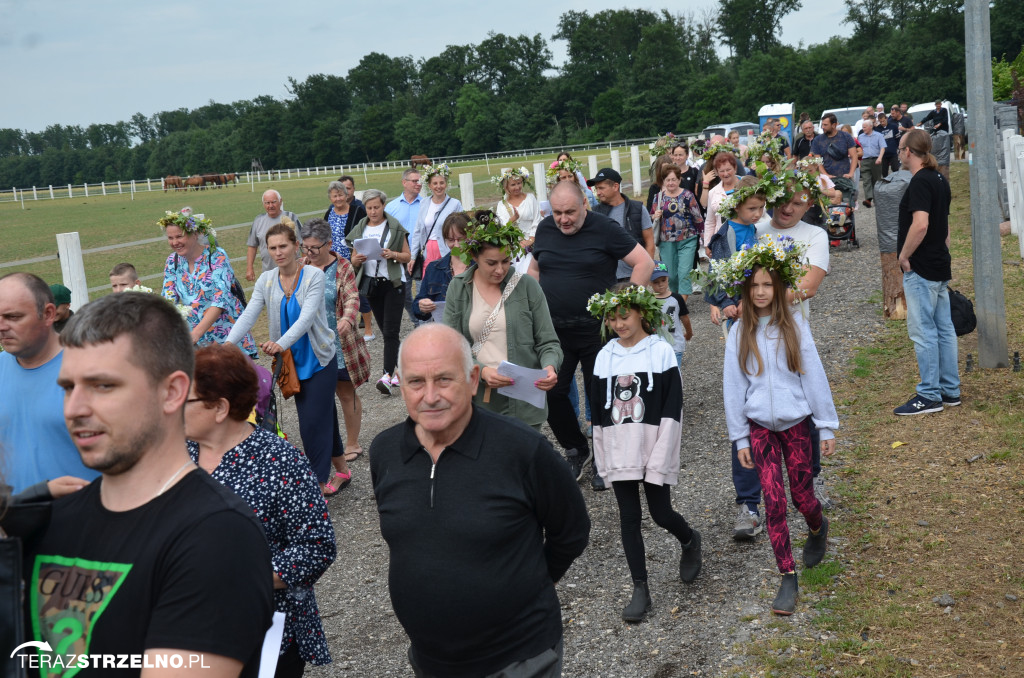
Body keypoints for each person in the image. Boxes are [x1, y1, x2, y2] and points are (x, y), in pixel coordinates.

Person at [26, 291, 273, 674]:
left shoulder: (218, 536)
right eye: (68, 387)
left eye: (103, 386)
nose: (74, 409)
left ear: (172, 391)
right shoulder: (52, 519)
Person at [369, 324, 591, 677]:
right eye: (415, 382)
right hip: (431, 662)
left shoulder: (522, 450)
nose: (430, 396)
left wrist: (530, 585)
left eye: (444, 379)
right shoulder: (385, 452)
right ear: (400, 383)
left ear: (473, 380)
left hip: (519, 659)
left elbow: (572, 530)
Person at [186, 344, 337, 677]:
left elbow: (317, 547)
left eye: (186, 399)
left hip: (264, 632)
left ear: (220, 408)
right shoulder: (177, 453)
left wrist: (237, 578)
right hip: (189, 628)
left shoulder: (280, 461)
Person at [716, 239, 839, 616]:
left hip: (797, 425)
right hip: (759, 430)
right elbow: (734, 387)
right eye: (754, 286)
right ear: (744, 290)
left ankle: (818, 528)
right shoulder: (739, 333)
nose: (761, 292)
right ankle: (787, 575)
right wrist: (739, 435)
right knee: (773, 502)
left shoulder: (794, 328)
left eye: (768, 285)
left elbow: (813, 376)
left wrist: (826, 425)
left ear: (781, 287)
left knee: (802, 497)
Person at [529, 181, 655, 490]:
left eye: (570, 212)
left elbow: (644, 262)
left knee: (602, 395)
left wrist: (624, 306)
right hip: (554, 331)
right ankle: (577, 450)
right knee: (551, 393)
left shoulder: (605, 228)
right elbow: (534, 270)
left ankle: (604, 455)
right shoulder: (545, 230)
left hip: (597, 330)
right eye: (558, 213)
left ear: (584, 205)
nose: (564, 219)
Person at [587, 284, 701, 622]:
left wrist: (663, 452)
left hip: (653, 445)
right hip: (619, 449)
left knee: (661, 513)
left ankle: (689, 538)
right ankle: (640, 588)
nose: (619, 324)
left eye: (625, 316)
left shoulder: (660, 352)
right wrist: (601, 456)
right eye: (612, 318)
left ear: (641, 313)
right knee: (628, 517)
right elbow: (597, 411)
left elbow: (671, 406)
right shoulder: (604, 357)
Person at [226, 224, 345, 496]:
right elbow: (248, 315)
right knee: (323, 416)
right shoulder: (266, 280)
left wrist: (279, 343)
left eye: (283, 246)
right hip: (292, 363)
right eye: (272, 247)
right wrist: (226, 345)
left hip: (319, 359)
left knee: (311, 424)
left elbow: (306, 319)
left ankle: (315, 487)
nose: (278, 252)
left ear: (295, 246)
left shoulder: (314, 275)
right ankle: (342, 470)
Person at [756, 169, 835, 509]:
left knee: (802, 399)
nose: (787, 208)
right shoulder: (755, 230)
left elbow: (810, 286)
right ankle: (758, 493)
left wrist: (766, 299)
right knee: (755, 401)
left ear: (808, 206)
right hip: (752, 332)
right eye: (783, 201)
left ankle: (811, 479)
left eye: (797, 203)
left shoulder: (814, 235)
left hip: (792, 329)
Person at [443, 209, 561, 430]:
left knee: (524, 462)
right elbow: (451, 347)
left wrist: (550, 367)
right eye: (491, 263)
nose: (500, 270)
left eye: (506, 261)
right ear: (474, 256)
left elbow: (548, 342)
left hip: (524, 403)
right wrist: (482, 370)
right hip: (477, 402)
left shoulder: (527, 286)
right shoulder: (458, 288)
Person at [0, 273, 98, 493]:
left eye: (13, 317)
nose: (1, 326)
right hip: (14, 518)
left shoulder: (92, 371)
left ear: (48, 314)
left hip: (85, 518)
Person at [893, 129, 960, 415]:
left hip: (921, 266)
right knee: (944, 329)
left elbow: (921, 224)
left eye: (899, 147)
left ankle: (930, 395)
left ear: (909, 151)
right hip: (938, 263)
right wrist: (943, 254)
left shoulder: (920, 181)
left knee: (924, 331)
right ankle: (950, 390)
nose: (898, 152)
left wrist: (904, 256)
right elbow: (943, 226)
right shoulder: (939, 179)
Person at [300, 217, 368, 470]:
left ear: (329, 244)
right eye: (305, 247)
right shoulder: (301, 266)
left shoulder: (343, 267)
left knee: (344, 391)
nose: (309, 253)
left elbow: (352, 297)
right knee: (317, 395)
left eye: (314, 248)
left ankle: (352, 443)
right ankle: (326, 446)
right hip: (311, 345)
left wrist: (348, 321)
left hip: (340, 343)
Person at [160, 210, 257, 357]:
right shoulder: (172, 261)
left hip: (225, 338)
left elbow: (220, 299)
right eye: (170, 238)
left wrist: (196, 334)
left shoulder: (217, 256)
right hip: (194, 342)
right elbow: (169, 299)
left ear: (195, 234)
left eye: (179, 236)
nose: (175, 242)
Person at [348, 189, 411, 396]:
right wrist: (355, 260)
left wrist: (392, 254)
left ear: (383, 206)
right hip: (371, 285)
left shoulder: (394, 227)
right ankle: (405, 370)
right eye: (369, 208)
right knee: (386, 331)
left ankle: (385, 376)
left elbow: (407, 255)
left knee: (391, 332)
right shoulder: (360, 228)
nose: (373, 211)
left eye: (377, 207)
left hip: (393, 283)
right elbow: (353, 258)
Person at [590, 168, 656, 281]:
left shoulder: (638, 209)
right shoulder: (594, 213)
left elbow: (650, 243)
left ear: (615, 186)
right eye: (596, 189)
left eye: (601, 188)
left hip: (633, 276)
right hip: (606, 277)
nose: (598, 193)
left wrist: (645, 273)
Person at [651, 163, 704, 299]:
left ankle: (681, 306)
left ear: (679, 180)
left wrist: (703, 238)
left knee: (684, 273)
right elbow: (651, 215)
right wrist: (655, 216)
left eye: (674, 179)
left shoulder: (687, 195)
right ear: (663, 181)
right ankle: (676, 299)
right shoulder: (659, 197)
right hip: (666, 241)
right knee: (672, 275)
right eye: (668, 180)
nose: (671, 183)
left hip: (688, 239)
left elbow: (698, 217)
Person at [409, 163, 463, 278]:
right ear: (429, 185)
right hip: (428, 252)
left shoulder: (455, 204)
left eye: (441, 183)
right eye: (435, 183)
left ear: (446, 184)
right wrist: (413, 256)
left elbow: (462, 229)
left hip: (447, 250)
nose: (438, 186)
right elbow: (418, 231)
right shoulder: (424, 203)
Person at [414, 212, 470, 322]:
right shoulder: (434, 268)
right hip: (445, 332)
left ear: (470, 237)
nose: (456, 245)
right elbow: (417, 307)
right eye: (451, 240)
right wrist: (422, 306)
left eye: (461, 239)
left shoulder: (480, 266)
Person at [386, 168, 425, 328]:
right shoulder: (391, 207)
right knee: (404, 295)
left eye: (419, 181)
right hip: (401, 256)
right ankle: (417, 320)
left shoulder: (426, 204)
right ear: (404, 183)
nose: (418, 184)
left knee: (423, 293)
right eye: (414, 181)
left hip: (423, 255)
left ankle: (424, 323)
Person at [493, 167, 543, 275]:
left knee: (530, 273)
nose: (517, 187)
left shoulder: (530, 199)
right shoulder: (502, 205)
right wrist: (512, 219)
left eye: (519, 183)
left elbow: (537, 221)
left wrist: (530, 240)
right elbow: (500, 228)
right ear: (506, 187)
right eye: (513, 185)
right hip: (512, 246)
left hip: (532, 244)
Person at [247, 189, 302, 282]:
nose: (270, 206)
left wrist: (306, 266)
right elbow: (252, 246)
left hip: (292, 272)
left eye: (273, 202)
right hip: (269, 273)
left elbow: (302, 243)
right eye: (267, 203)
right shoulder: (258, 220)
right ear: (263, 204)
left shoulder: (291, 217)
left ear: (280, 202)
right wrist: (249, 268)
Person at [699, 144, 743, 254]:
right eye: (721, 171)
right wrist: (708, 244)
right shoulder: (713, 192)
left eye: (728, 169)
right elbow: (710, 221)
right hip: (722, 238)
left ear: (735, 168)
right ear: (717, 172)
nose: (726, 174)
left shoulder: (746, 184)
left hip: (744, 235)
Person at [810, 113, 859, 203]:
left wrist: (851, 173)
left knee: (847, 206)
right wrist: (825, 175)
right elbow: (818, 161)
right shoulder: (818, 140)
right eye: (822, 124)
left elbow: (854, 155)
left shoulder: (845, 136)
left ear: (834, 125)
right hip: (827, 181)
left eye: (825, 125)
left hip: (845, 178)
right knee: (829, 208)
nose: (822, 127)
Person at [650, 263, 692, 366]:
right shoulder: (648, 301)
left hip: (675, 344)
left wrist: (689, 332)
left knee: (674, 373)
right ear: (649, 282)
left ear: (668, 278)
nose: (661, 284)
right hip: (655, 345)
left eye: (663, 280)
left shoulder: (677, 298)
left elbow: (684, 317)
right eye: (656, 282)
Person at [322, 180, 367, 261]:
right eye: (335, 196)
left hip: (353, 260)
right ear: (330, 198)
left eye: (340, 195)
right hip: (332, 260)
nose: (338, 199)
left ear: (346, 196)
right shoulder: (329, 213)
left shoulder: (357, 211)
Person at [857, 119, 886, 208]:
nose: (863, 129)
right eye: (862, 127)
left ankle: (877, 199)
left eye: (865, 127)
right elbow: (858, 150)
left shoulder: (879, 136)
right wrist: (859, 162)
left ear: (871, 126)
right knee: (866, 180)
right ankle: (868, 199)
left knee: (876, 180)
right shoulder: (860, 137)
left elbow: (882, 147)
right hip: (864, 160)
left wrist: (880, 158)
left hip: (876, 160)